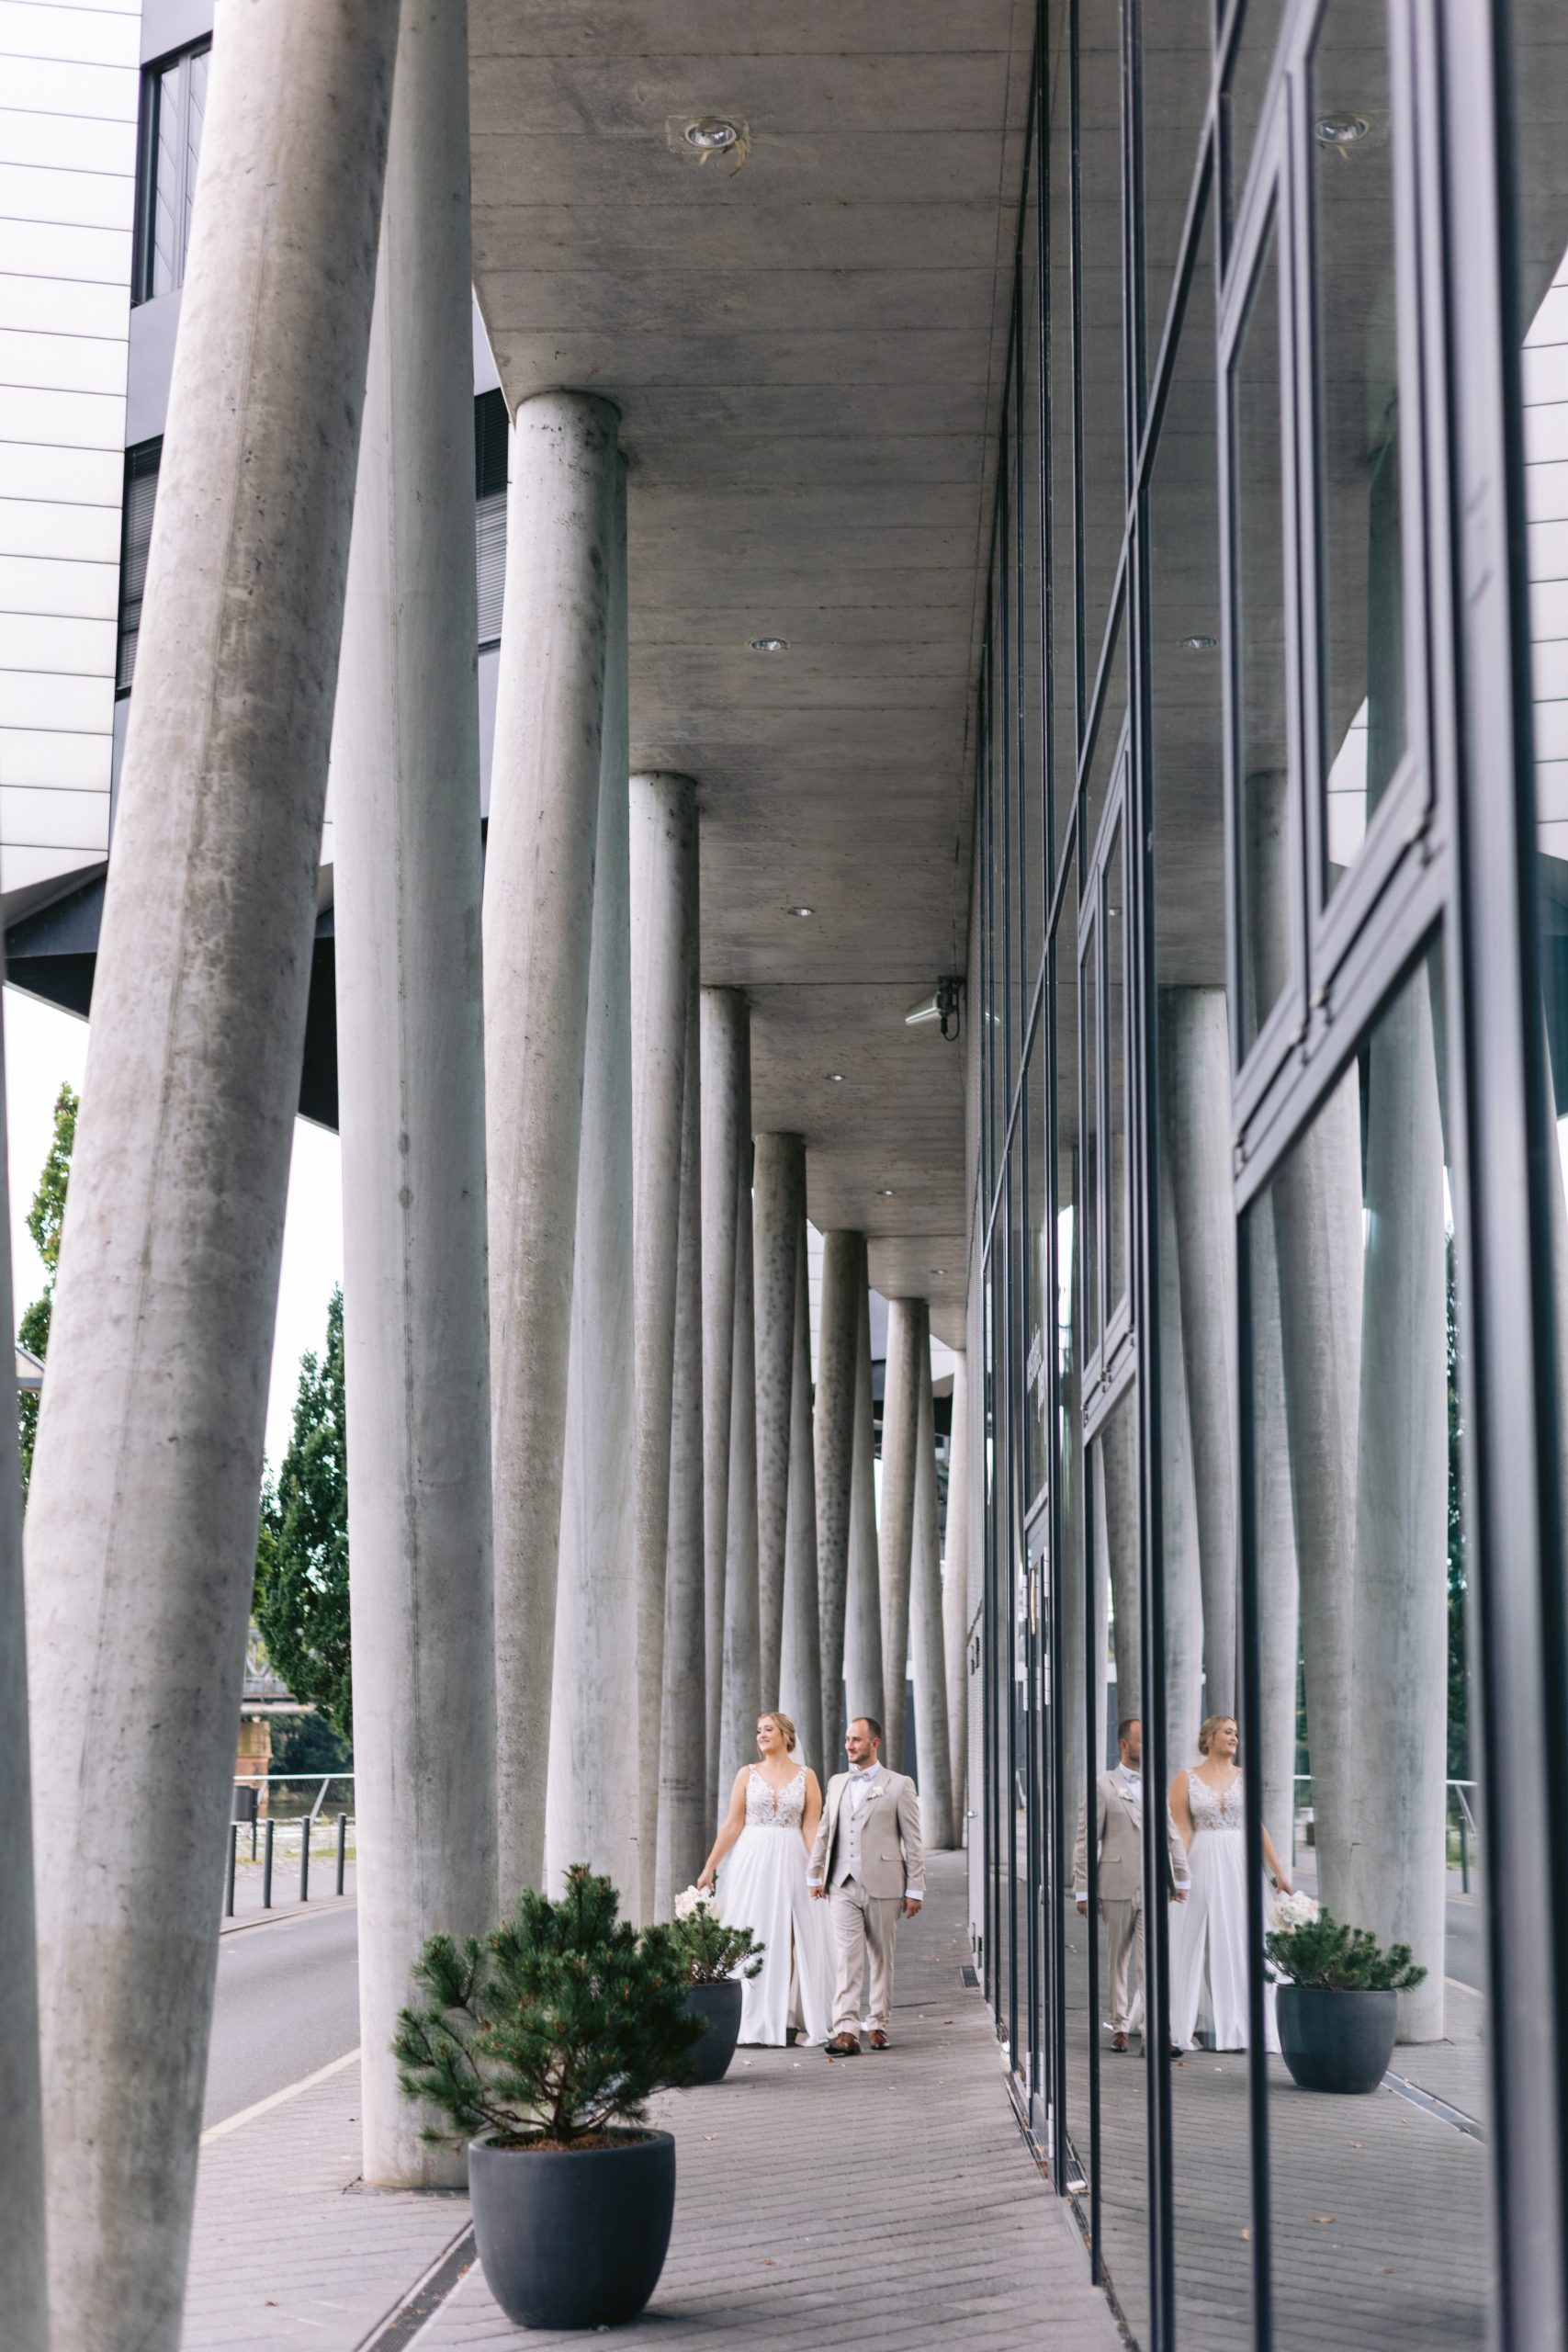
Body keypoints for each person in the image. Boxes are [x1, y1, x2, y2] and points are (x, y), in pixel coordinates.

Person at [698, 1711, 835, 2046]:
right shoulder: (747, 1774)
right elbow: (732, 1824)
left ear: (786, 1735)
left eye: (768, 1729)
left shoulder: (807, 1777)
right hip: (752, 1859)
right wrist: (709, 1867)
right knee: (747, 1931)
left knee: (789, 1937)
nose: (761, 1734)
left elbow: (811, 1826)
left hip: (792, 1859)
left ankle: (777, 2015)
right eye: (758, 1730)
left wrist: (819, 1868)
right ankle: (746, 2017)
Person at [1167, 1713, 1293, 2053]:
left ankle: (1248, 2020)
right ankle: (1180, 2019)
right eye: (1227, 1731)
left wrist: (1279, 1871)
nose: (1234, 1737)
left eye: (1236, 1732)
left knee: (1245, 1936)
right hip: (1202, 1859)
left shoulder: (1244, 1778)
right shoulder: (1185, 1780)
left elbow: (1257, 1827)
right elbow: (1182, 1829)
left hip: (1239, 1862)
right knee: (1190, 1936)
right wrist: (1177, 1873)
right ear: (1209, 1737)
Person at [807, 1715, 925, 2055]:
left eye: (856, 1740)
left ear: (875, 1743)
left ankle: (877, 2023)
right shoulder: (837, 1782)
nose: (849, 1746)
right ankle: (845, 2030)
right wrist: (815, 1874)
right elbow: (825, 1829)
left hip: (885, 1883)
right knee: (846, 1957)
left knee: (881, 1957)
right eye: (847, 1739)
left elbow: (914, 1842)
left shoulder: (899, 1785)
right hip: (841, 1883)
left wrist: (915, 1889)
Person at [1072, 1717, 1190, 2053]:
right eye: (1141, 1740)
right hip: (1115, 1885)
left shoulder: (1154, 1785)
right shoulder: (1103, 1786)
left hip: (1154, 1887)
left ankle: (1155, 2033)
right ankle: (1119, 2026)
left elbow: (1171, 1835)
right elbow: (1085, 1841)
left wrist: (1181, 1877)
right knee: (1118, 1960)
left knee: (1152, 1960)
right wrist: (1083, 1889)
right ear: (1125, 1744)